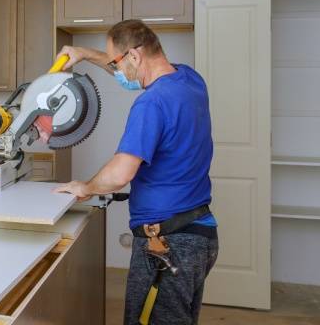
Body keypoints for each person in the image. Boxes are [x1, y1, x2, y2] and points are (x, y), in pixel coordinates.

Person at [52, 19, 219, 324]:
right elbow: (124, 67)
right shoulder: (191, 80)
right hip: (201, 234)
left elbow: (120, 174)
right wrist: (85, 54)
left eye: (117, 61)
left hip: (167, 245)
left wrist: (85, 187)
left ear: (134, 57)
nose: (116, 72)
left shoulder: (151, 104)